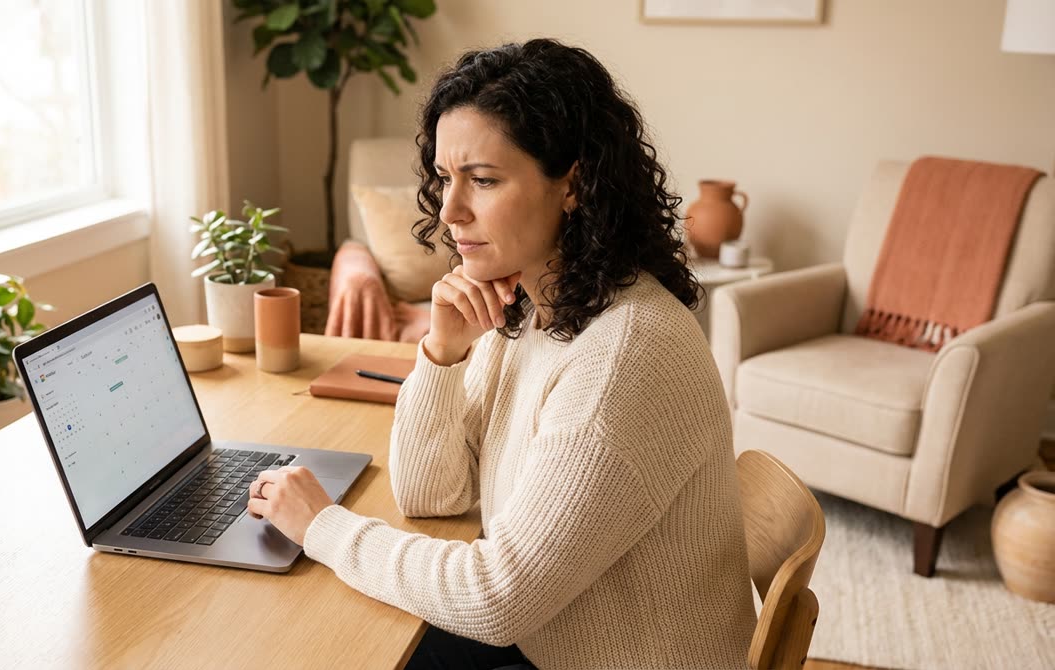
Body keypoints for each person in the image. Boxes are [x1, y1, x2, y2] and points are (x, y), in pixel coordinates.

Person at [245, 38, 756, 669]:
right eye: (444, 179)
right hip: (552, 639)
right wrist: (440, 354)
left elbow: (495, 598)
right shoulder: (528, 304)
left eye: (483, 180)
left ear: (573, 184)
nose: (452, 212)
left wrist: (323, 526)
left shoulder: (624, 357)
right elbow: (432, 495)